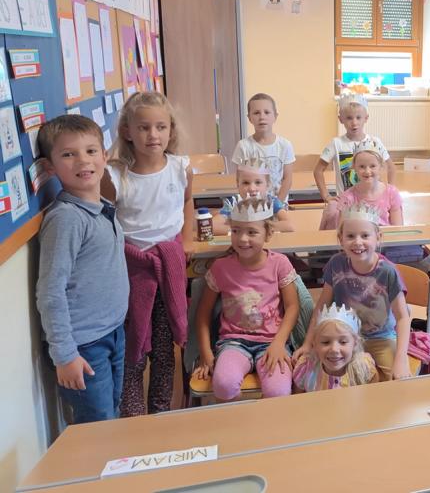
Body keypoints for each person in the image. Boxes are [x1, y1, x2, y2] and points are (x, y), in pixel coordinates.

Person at [102, 91, 192, 416]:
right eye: (143, 127)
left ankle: (161, 411)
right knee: (134, 346)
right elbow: (106, 222)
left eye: (160, 127)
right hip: (132, 271)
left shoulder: (181, 168)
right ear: (127, 131)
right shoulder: (114, 176)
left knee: (164, 349)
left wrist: (187, 242)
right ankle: (133, 415)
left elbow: (187, 203)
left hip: (169, 267)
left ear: (171, 130)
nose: (153, 135)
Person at [35, 116, 129, 423]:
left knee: (110, 414)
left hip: (112, 332)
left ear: (104, 155)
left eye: (91, 151)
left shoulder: (102, 206)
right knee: (97, 426)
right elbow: (50, 292)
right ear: (49, 167)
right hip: (84, 345)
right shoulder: (66, 219)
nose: (83, 161)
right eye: (68, 154)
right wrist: (65, 355)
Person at [193, 196, 299, 400]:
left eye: (252, 232)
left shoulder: (280, 263)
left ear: (268, 234)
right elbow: (203, 313)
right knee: (223, 385)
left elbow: (292, 306)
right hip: (233, 342)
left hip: (271, 341)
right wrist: (206, 353)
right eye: (236, 231)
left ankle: (265, 419)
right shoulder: (221, 267)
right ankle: (242, 419)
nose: (242, 239)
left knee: (278, 391)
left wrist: (279, 343)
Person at [293, 203, 412, 381]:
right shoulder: (336, 264)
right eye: (350, 236)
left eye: (365, 235)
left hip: (381, 338)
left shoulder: (388, 271)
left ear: (378, 237)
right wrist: (308, 343)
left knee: (396, 381)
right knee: (325, 376)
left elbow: (403, 317)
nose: (357, 242)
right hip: (343, 338)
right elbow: (321, 306)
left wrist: (401, 358)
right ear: (340, 239)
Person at [313, 93, 395, 208]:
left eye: (358, 117)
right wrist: (326, 196)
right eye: (349, 118)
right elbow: (318, 170)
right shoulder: (336, 143)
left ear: (366, 118)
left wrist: (390, 193)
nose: (354, 123)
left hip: (372, 204)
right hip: (346, 204)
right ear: (341, 119)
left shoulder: (375, 142)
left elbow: (391, 167)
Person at [292, 303, 378, 392]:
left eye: (343, 342)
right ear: (315, 344)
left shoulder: (364, 368)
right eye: (325, 342)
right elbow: (298, 398)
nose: (334, 349)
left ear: (355, 343)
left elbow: (373, 396)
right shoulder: (306, 368)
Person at [324, 138, 402, 228]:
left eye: (372, 166)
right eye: (362, 166)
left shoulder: (391, 193)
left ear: (380, 166)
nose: (367, 171)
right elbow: (343, 231)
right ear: (354, 167)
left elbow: (397, 229)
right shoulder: (347, 198)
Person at [231, 94, 295, 203]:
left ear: (275, 116)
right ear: (249, 118)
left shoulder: (285, 145)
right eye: (256, 113)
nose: (262, 117)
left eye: (267, 112)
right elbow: (240, 180)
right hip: (253, 205)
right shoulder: (243, 146)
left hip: (279, 205)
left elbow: (287, 179)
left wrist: (278, 204)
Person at [212, 157, 294, 235]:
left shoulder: (272, 202)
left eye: (258, 182)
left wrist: (258, 228)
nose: (252, 188)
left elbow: (289, 225)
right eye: (246, 183)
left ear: (267, 184)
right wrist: (244, 229)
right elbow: (212, 227)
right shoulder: (233, 203)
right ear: (238, 184)